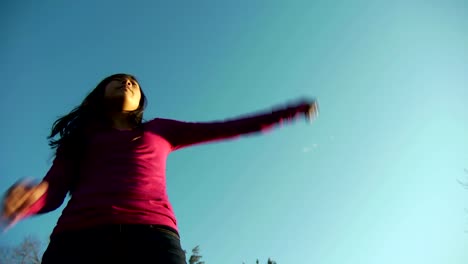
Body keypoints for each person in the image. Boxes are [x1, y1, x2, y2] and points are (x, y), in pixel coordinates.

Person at [1, 73, 318, 264]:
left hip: (152, 239)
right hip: (79, 239)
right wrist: (30, 200)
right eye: (117, 80)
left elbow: (228, 127)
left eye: (134, 83)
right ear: (99, 94)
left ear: (140, 102)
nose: (126, 82)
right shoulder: (82, 138)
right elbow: (54, 189)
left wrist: (288, 112)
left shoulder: (159, 131)